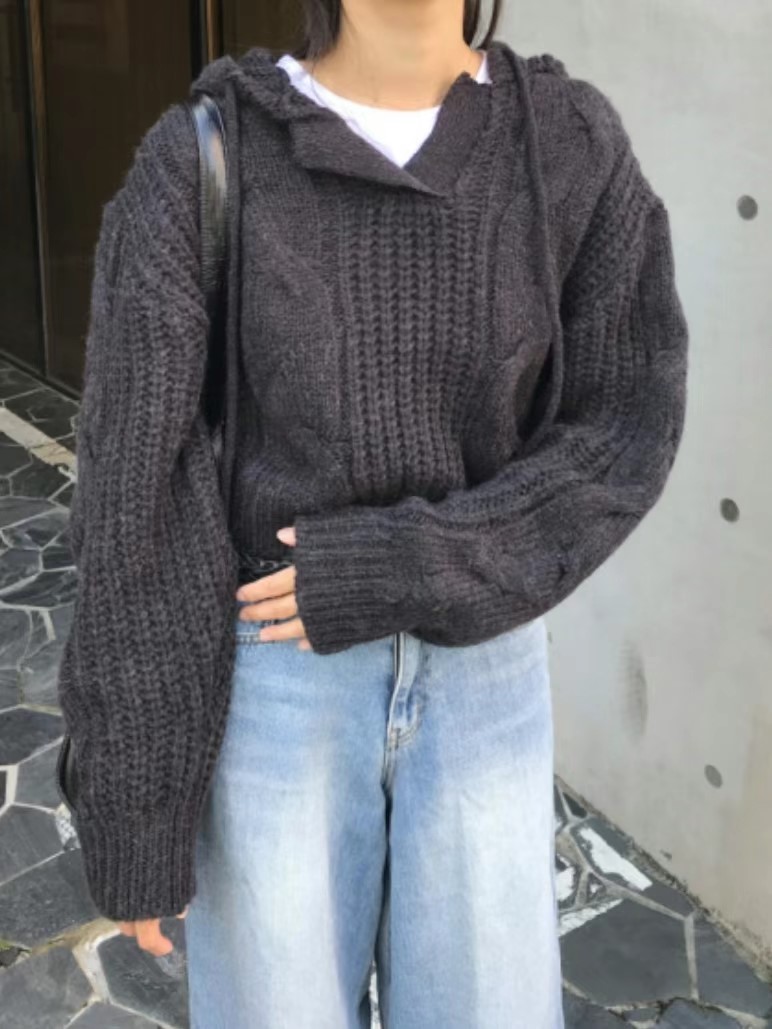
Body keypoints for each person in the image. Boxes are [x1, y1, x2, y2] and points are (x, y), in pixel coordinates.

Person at [56, 0, 689, 1026]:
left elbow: (627, 422)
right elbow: (137, 490)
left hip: (486, 674)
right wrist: (134, 797)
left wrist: (406, 564)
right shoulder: (206, 155)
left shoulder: (569, 144)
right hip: (275, 684)